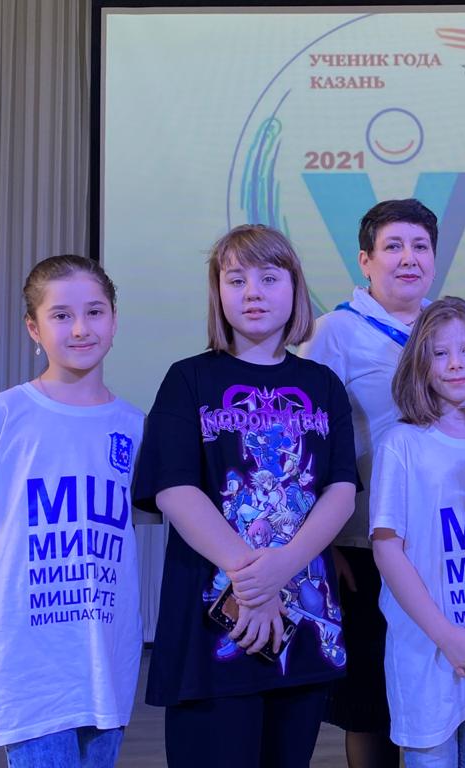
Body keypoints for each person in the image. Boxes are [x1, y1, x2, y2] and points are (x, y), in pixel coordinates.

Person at [132, 225, 357, 767]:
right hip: (213, 621)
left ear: (295, 288)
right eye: (236, 280)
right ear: (218, 293)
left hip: (301, 623)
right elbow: (174, 489)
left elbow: (341, 491)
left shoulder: (323, 384)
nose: (253, 292)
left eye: (269, 278)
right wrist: (252, 579)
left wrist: (282, 567)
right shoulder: (187, 379)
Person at [0, 255, 143, 766]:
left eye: (95, 312)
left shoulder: (133, 425)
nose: (81, 328)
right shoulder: (2, 415)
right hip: (33, 658)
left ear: (114, 320)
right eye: (61, 315)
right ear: (33, 328)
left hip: (105, 648)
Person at [298, 198, 438, 768]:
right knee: (369, 702)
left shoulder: (447, 327)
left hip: (437, 540)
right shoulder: (335, 332)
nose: (409, 258)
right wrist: (324, 544)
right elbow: (308, 445)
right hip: (363, 542)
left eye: (421, 246)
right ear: (365, 260)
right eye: (393, 246)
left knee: (432, 685)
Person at [369, 297, 465, 767]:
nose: (455, 363)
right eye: (440, 353)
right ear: (420, 364)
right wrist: (446, 636)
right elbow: (388, 550)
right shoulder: (402, 445)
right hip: (428, 654)